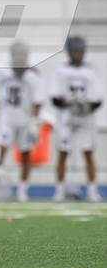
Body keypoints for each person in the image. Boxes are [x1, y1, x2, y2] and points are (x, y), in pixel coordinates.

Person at [50, 36, 103, 203]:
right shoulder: (61, 70)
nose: (78, 55)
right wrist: (69, 102)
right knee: (63, 152)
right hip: (67, 117)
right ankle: (59, 190)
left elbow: (98, 99)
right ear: (69, 53)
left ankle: (93, 191)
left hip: (85, 118)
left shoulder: (91, 71)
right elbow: (55, 98)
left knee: (88, 152)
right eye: (75, 52)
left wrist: (87, 106)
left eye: (80, 52)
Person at [0, 41, 43, 202]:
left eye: (22, 56)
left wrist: (34, 121)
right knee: (0, 151)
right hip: (7, 118)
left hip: (25, 120)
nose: (20, 59)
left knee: (26, 154)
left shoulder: (32, 76)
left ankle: (22, 189)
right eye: (17, 56)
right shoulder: (3, 72)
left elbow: (37, 101)